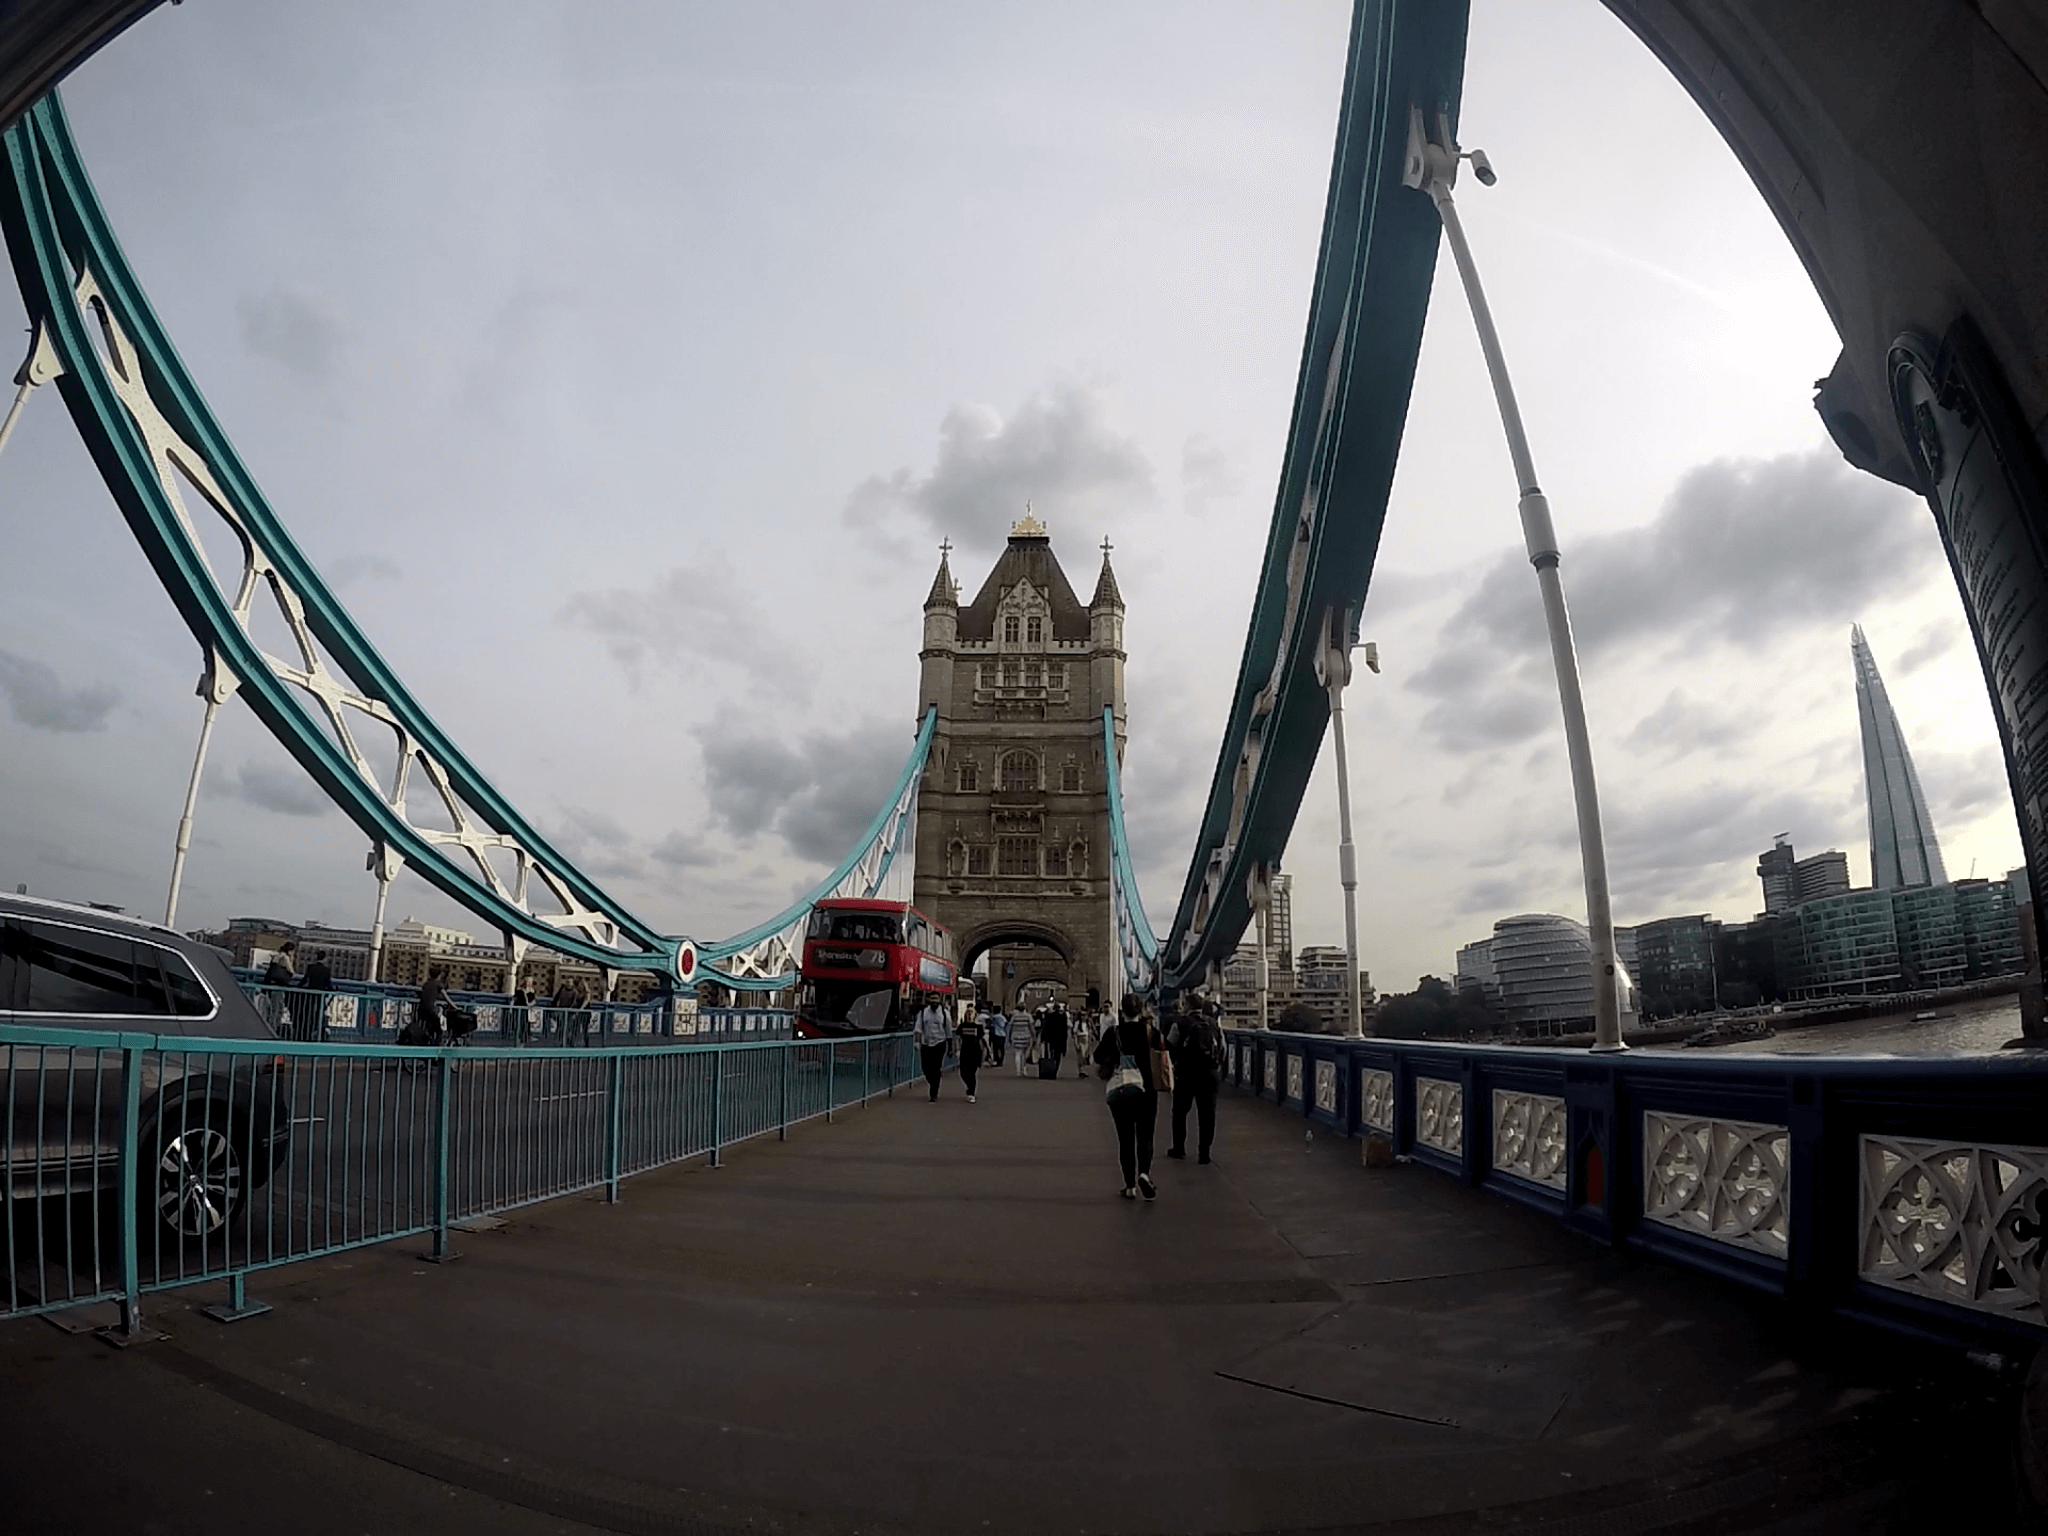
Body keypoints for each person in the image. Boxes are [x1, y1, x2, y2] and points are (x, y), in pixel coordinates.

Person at [1093, 994, 1165, 1199]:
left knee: (1125, 1138)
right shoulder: (1151, 1032)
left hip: (1121, 1088)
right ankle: (1144, 1173)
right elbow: (1168, 1049)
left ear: (1121, 1010)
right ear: (1141, 1010)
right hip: (1147, 1090)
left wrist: (1114, 1058)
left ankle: (1130, 1186)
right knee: (1145, 1135)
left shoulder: (1113, 1032)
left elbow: (1097, 1056)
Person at [1166, 992, 1228, 1164]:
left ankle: (1179, 1149)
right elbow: (1223, 1049)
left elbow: (1170, 1047)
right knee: (1207, 1114)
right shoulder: (1214, 1024)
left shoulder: (1180, 1024)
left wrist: (1174, 1066)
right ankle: (1204, 1153)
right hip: (1209, 1074)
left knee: (1179, 1112)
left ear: (1186, 1006)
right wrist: (1216, 1067)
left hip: (1186, 1074)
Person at [914, 991, 954, 1102]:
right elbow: (918, 1028)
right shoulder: (923, 1013)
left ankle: (934, 1092)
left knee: (936, 1068)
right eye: (932, 1000)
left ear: (940, 1001)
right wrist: (917, 1042)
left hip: (940, 1043)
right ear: (929, 1001)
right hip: (926, 1044)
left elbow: (948, 1031)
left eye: (936, 999)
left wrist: (951, 1047)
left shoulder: (945, 1014)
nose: (934, 1002)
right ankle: (933, 1083)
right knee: (925, 1068)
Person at [956, 1003, 985, 1102]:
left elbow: (982, 1040)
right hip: (965, 1051)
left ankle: (971, 1093)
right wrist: (957, 1050)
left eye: (971, 1013)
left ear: (975, 1015)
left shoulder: (979, 1027)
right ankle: (969, 1086)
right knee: (963, 1073)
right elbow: (958, 1039)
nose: (969, 1015)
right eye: (968, 1013)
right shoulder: (962, 1026)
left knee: (972, 1073)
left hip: (975, 1052)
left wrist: (988, 1052)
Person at [1038, 1002, 1069, 1079]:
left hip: (1051, 1039)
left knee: (1050, 1054)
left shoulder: (1049, 1016)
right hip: (1060, 1039)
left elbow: (1045, 1027)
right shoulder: (1063, 1017)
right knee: (1058, 1056)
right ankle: (1055, 1071)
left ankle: (1049, 1069)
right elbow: (1065, 1030)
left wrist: (1043, 1038)